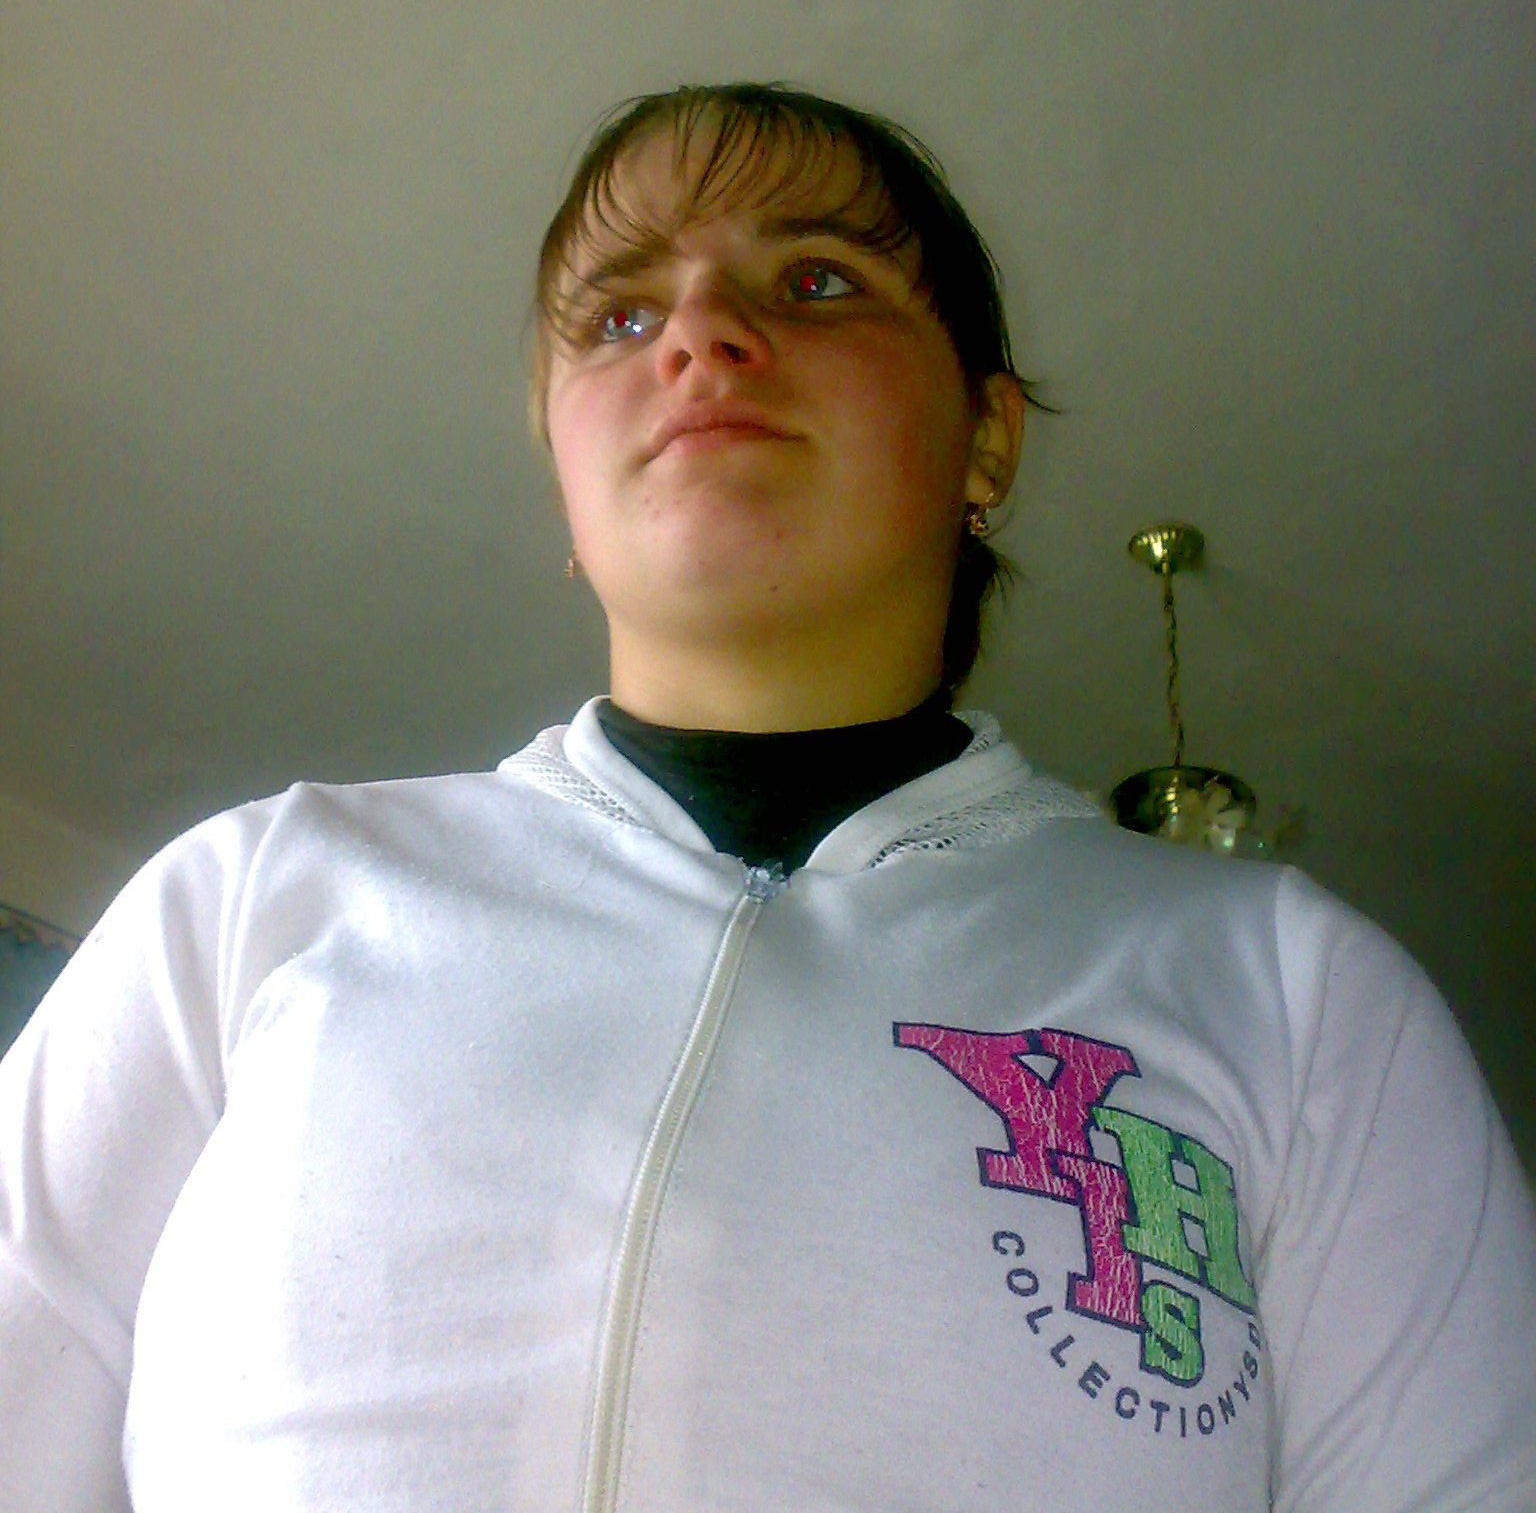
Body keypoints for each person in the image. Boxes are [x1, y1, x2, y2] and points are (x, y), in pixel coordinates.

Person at [1, 82, 1533, 1512]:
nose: (701, 334)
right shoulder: (252, 900)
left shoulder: (1294, 990)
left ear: (987, 440)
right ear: (566, 474)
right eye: (619, 315)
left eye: (814, 281)